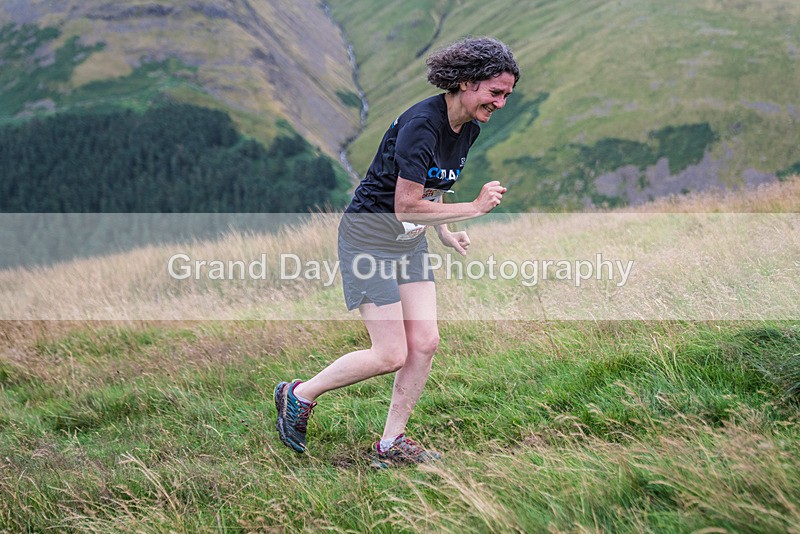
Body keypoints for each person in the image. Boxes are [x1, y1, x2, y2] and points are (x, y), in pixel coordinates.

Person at [275, 36, 519, 468]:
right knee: (390, 354)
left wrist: (446, 229)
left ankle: (392, 443)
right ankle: (298, 394)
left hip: (407, 241)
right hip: (368, 236)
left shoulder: (467, 128)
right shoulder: (421, 124)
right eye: (494, 92)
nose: (500, 102)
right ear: (465, 82)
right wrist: (477, 208)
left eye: (506, 95)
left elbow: (433, 185)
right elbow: (404, 203)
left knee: (425, 342)